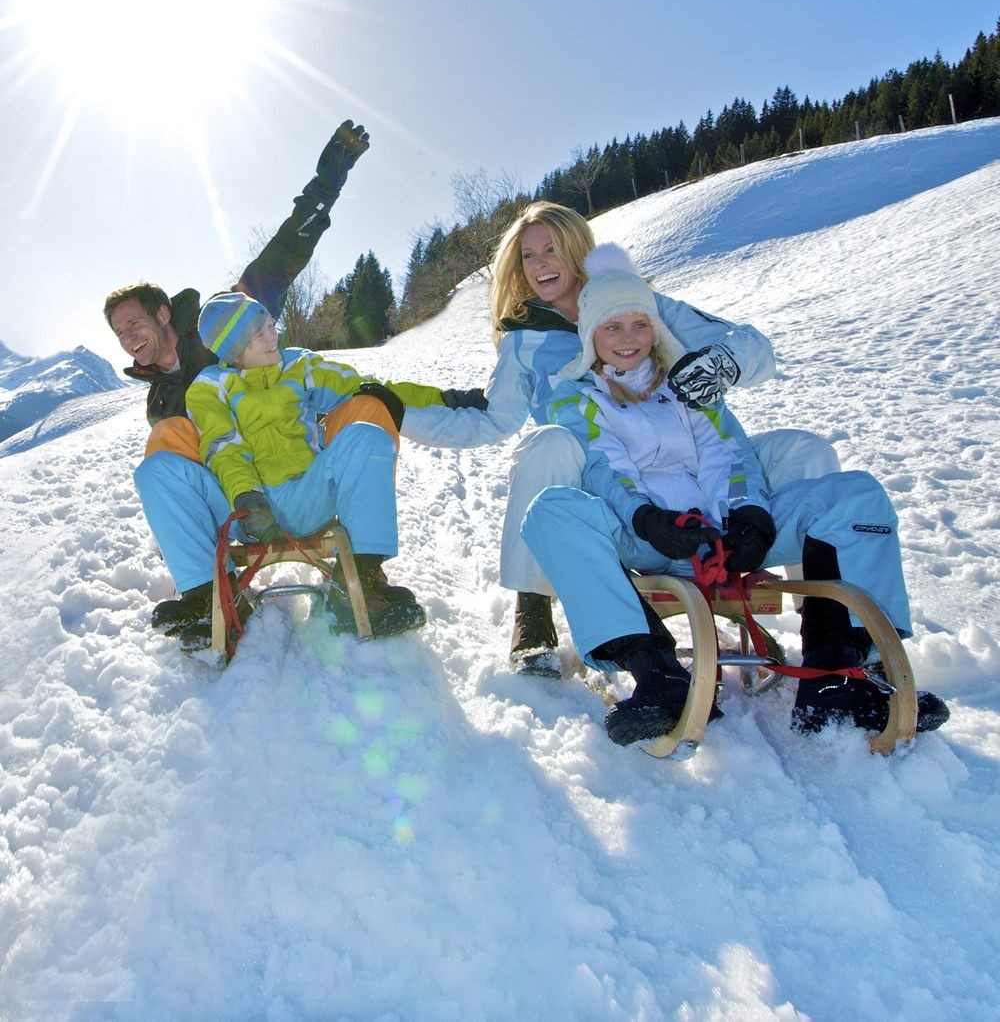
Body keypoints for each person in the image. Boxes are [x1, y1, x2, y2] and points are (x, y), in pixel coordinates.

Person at [519, 243, 949, 745]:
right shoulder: (579, 396)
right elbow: (603, 467)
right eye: (612, 327)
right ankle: (658, 677)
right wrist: (647, 519)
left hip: (725, 536)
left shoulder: (689, 386)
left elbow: (732, 455)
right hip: (651, 537)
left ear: (656, 328)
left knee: (857, 495)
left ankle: (839, 676)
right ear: (590, 335)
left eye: (639, 324)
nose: (628, 338)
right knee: (550, 511)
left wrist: (750, 514)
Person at [401, 202, 840, 675]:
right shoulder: (524, 340)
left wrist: (723, 363)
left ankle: (830, 621)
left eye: (552, 249)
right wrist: (397, 416)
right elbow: (490, 421)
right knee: (547, 444)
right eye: (529, 256)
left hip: (690, 470)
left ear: (578, 251)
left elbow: (751, 345)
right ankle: (534, 608)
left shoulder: (638, 304)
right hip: (603, 481)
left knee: (808, 452)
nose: (541, 263)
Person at [103, 121, 369, 642]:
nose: (127, 337)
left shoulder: (225, 327)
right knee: (163, 453)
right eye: (118, 333)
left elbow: (285, 253)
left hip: (295, 473)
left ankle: (367, 575)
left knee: (355, 416)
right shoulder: (160, 400)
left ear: (162, 315)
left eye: (133, 323)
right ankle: (207, 597)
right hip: (239, 500)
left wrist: (329, 179)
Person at [183, 292, 448, 640]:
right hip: (249, 510)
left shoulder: (299, 367)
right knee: (165, 472)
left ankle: (360, 588)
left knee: (368, 438)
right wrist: (246, 496)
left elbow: (365, 388)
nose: (272, 335)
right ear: (234, 350)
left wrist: (444, 399)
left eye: (270, 325)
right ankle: (202, 597)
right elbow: (223, 447)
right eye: (259, 333)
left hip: (308, 496)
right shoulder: (209, 387)